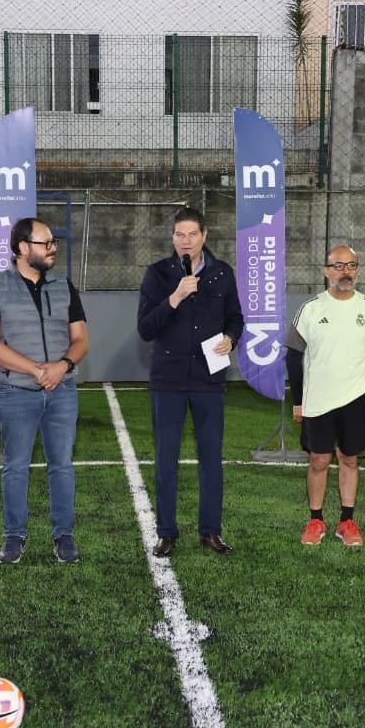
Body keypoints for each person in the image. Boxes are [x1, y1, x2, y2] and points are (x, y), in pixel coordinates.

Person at [0, 218, 88, 564]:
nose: (53, 248)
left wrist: (62, 367)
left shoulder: (64, 286)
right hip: (14, 392)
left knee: (62, 466)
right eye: (45, 243)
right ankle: (14, 537)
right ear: (23, 248)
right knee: (16, 468)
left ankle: (64, 536)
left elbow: (81, 339)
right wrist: (38, 370)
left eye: (53, 243)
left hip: (62, 391)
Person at [137, 206, 244, 557]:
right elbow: (145, 328)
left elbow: (235, 318)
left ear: (204, 237)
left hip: (208, 380)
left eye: (192, 234)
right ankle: (167, 533)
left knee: (211, 458)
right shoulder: (157, 274)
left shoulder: (223, 274)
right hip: (167, 381)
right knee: (166, 459)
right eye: (179, 235)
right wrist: (176, 296)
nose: (186, 241)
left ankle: (210, 530)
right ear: (172, 238)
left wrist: (231, 337)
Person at [286, 245, 365, 548]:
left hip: (357, 398)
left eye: (351, 265)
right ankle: (316, 519)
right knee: (318, 460)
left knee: (349, 458)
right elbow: (293, 357)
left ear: (357, 270)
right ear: (326, 271)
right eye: (338, 266)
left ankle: (347, 520)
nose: (345, 272)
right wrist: (298, 401)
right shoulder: (310, 309)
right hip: (318, 399)